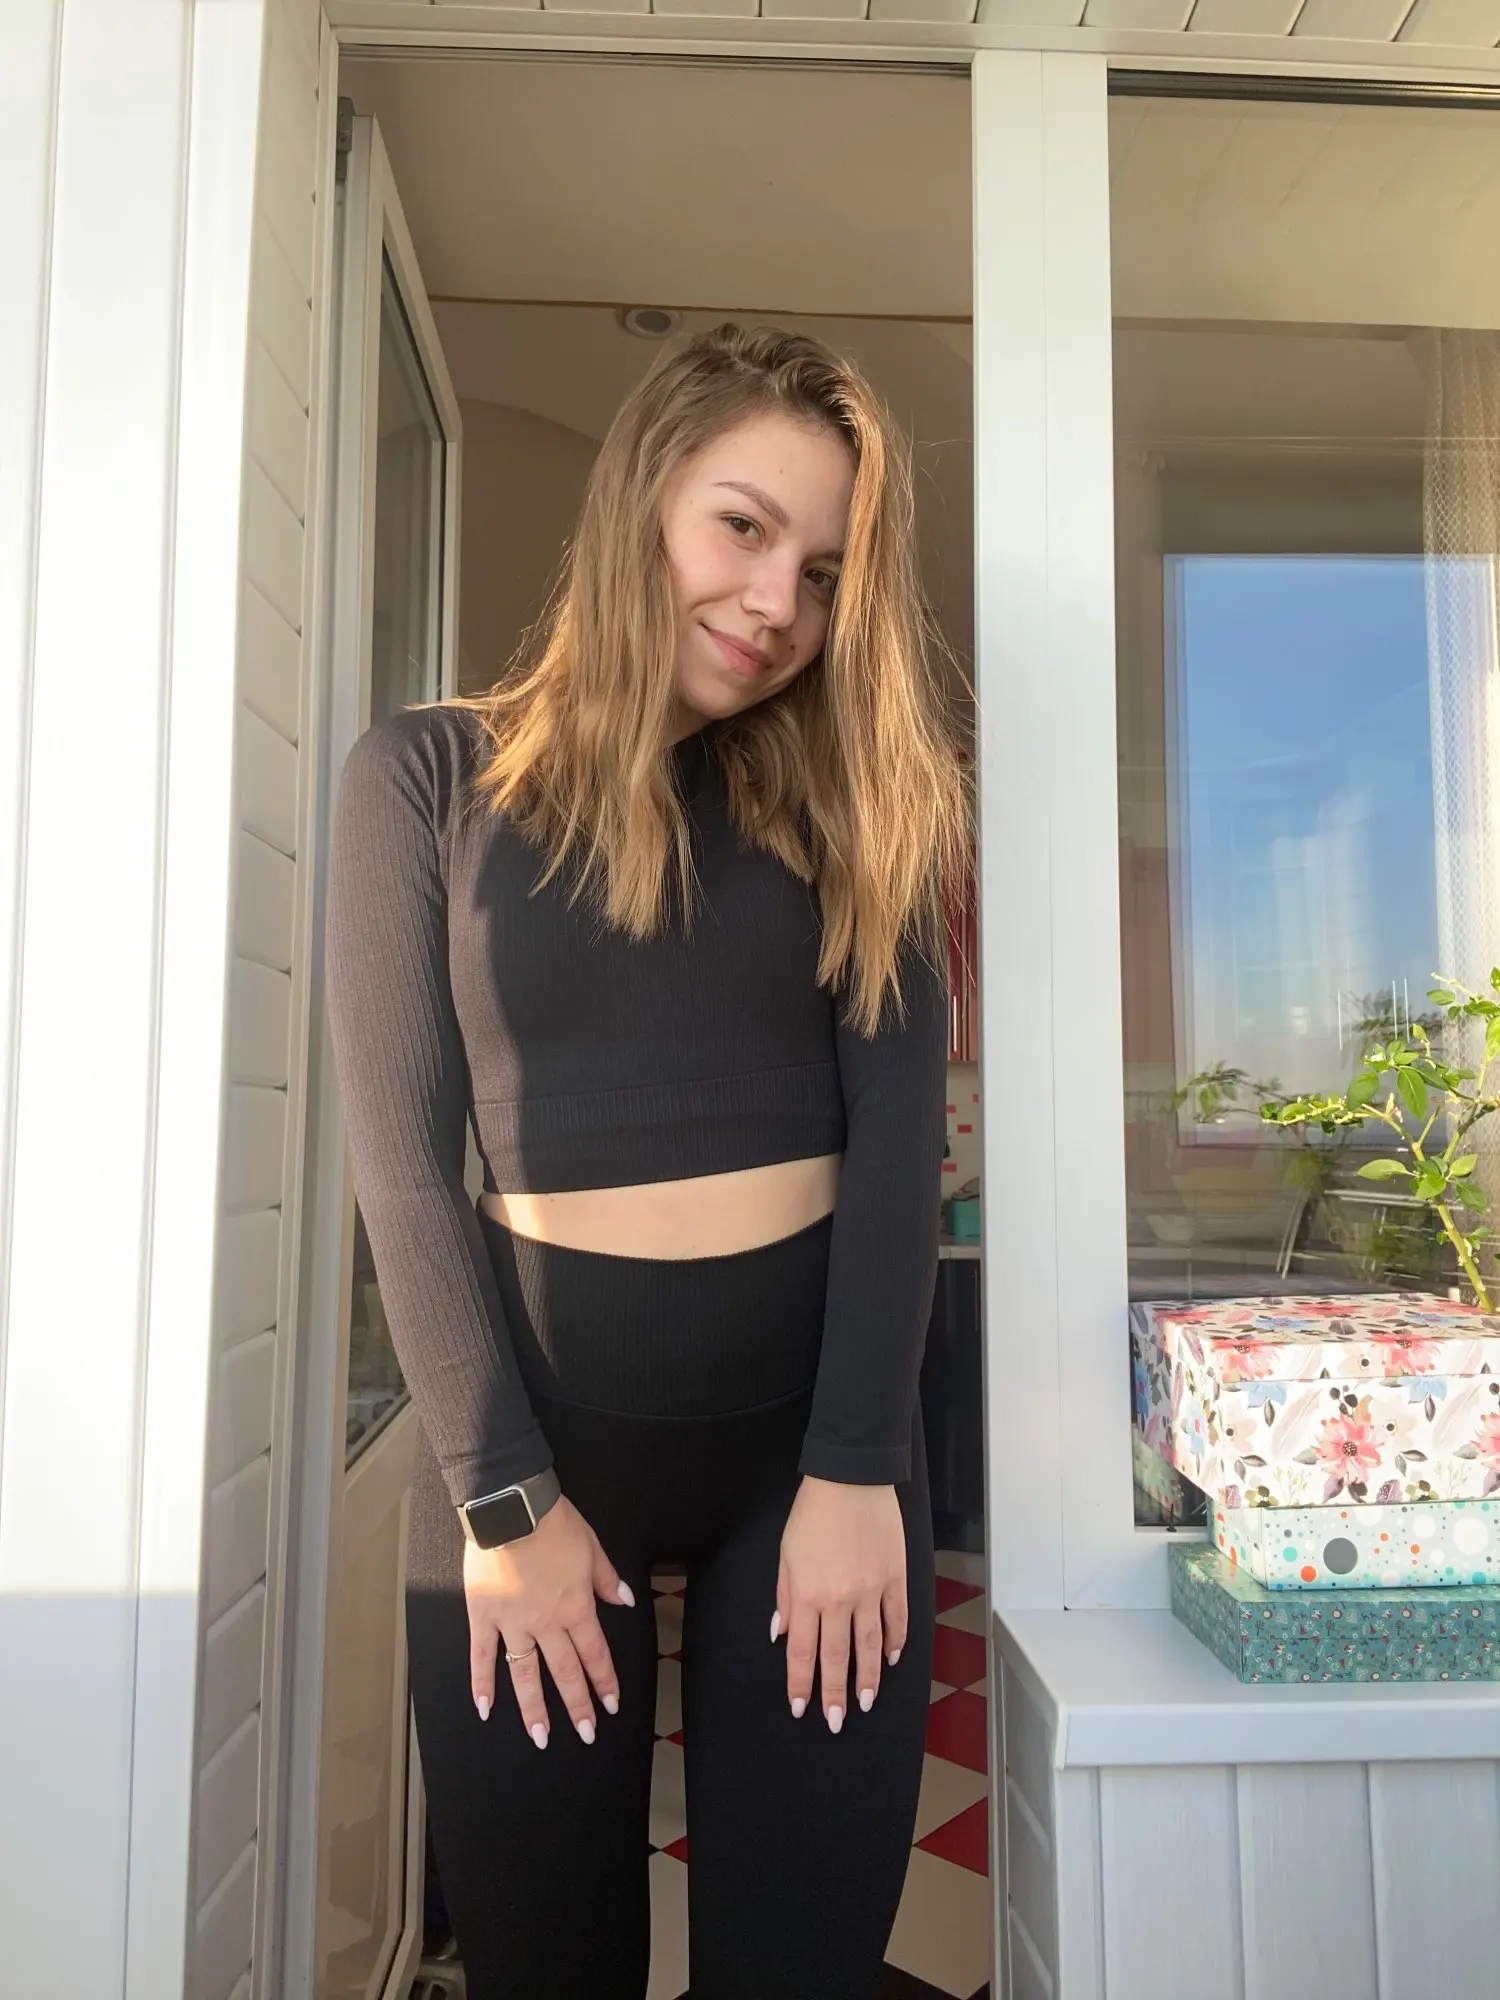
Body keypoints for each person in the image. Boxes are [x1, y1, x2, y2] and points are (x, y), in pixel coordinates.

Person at [323, 321, 972, 2000]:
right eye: (742, 527)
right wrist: (502, 1494)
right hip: (527, 1463)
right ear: (642, 497)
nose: (775, 603)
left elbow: (899, 1145)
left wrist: (856, 1468)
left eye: (823, 572)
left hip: (815, 1468)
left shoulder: (860, 804)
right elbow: (401, 1157)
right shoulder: (427, 779)